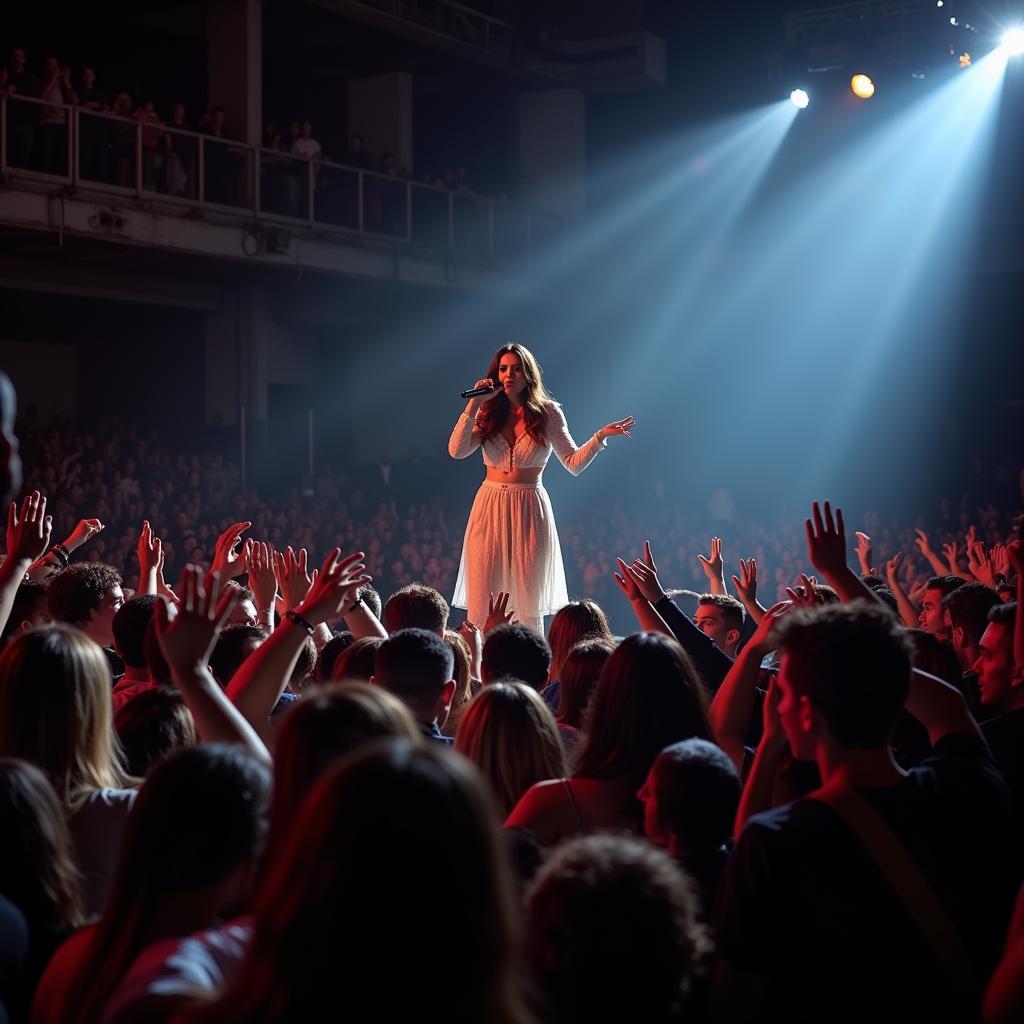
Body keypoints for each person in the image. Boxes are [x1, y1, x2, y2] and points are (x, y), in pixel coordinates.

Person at [448, 343, 634, 634]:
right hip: (489, 505)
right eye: (503, 369)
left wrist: (599, 437)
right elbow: (456, 451)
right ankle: (480, 668)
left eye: (517, 368)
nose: (509, 375)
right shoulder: (487, 411)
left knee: (526, 597)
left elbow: (572, 462)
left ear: (529, 374)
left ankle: (529, 667)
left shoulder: (548, 413)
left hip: (528, 508)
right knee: (483, 595)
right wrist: (473, 404)